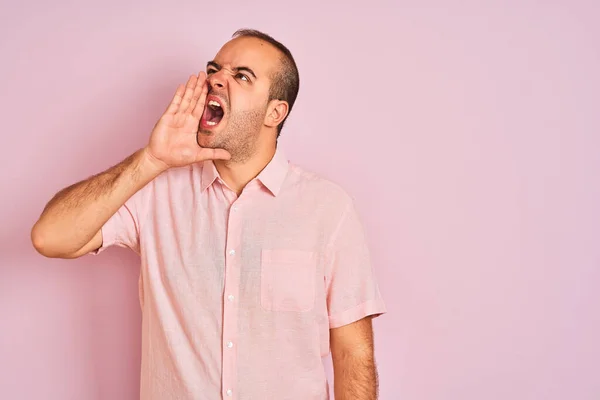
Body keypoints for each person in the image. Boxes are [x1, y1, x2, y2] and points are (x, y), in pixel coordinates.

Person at [31, 28, 387, 400]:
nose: (215, 79)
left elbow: (353, 354)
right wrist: (150, 160)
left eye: (241, 76)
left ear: (275, 111)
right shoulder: (156, 192)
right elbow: (49, 237)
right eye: (214, 69)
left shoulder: (327, 209)